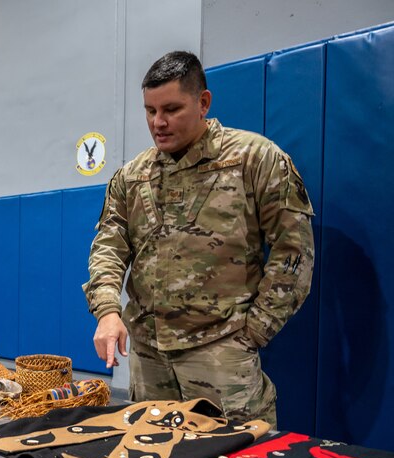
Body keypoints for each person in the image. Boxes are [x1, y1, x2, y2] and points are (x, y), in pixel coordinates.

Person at [83, 51, 314, 428]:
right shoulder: (132, 176)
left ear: (203, 102)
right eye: (150, 110)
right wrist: (108, 310)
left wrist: (254, 331)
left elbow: (294, 252)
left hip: (221, 353)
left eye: (172, 109)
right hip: (149, 357)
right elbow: (109, 246)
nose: (159, 122)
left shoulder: (254, 159)